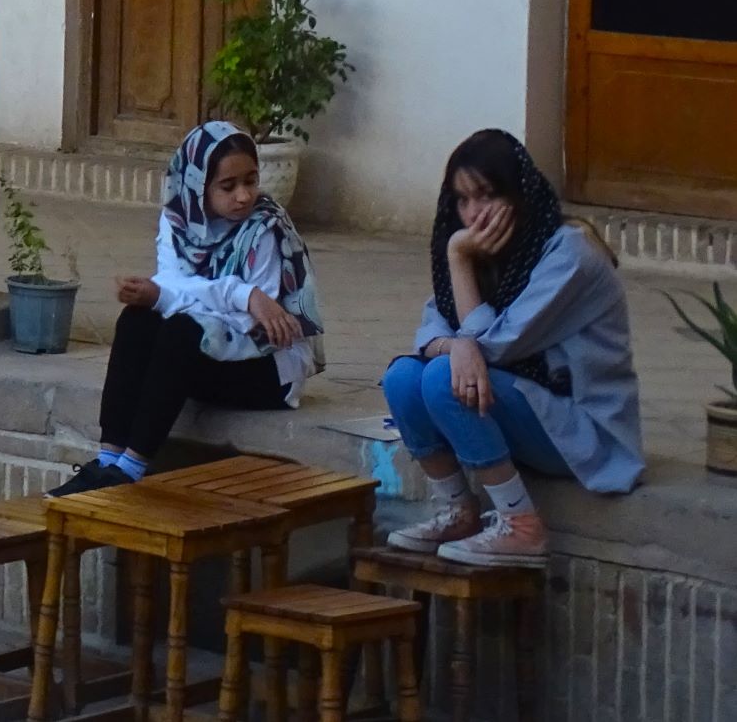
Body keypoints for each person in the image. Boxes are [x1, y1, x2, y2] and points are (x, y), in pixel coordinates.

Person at [382, 129, 641, 567]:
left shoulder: (569, 256)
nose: (472, 215)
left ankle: (521, 526)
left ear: (518, 194)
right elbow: (428, 335)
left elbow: (496, 347)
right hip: (528, 411)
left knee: (445, 379)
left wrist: (459, 261)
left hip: (584, 433)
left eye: (485, 195)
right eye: (462, 200)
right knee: (404, 379)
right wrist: (458, 344)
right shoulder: (490, 255)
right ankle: (459, 511)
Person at [53, 122, 324, 496]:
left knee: (181, 329)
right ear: (197, 184)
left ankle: (131, 468)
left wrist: (237, 301)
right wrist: (242, 293)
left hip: (267, 370)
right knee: (137, 320)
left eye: (251, 180)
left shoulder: (266, 229)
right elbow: (173, 285)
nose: (244, 196)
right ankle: (107, 459)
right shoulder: (178, 218)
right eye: (228, 187)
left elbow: (246, 324)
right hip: (208, 356)